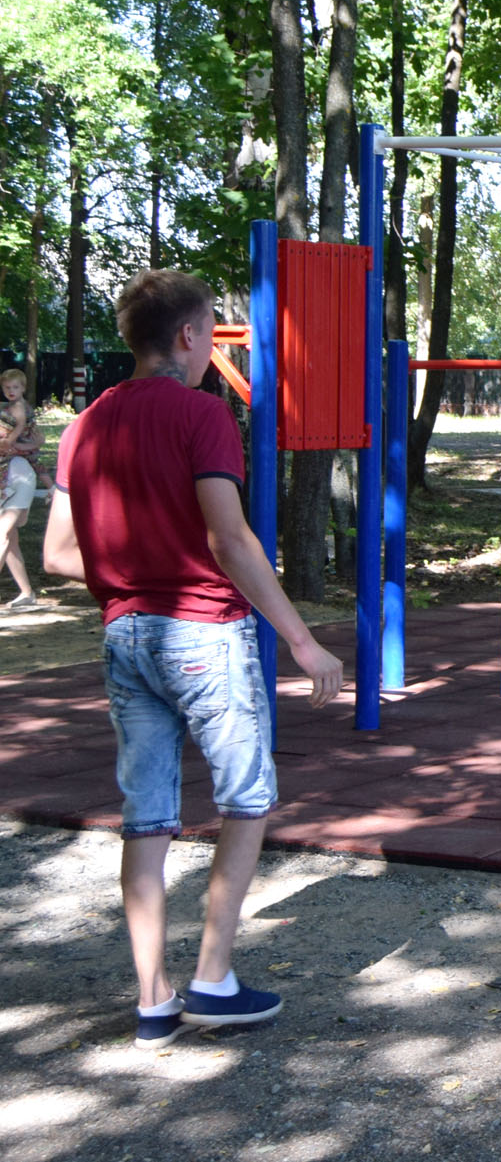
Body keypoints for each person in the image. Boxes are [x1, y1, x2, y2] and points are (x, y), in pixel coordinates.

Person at [41, 270, 344, 1050]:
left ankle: (153, 999)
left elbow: (57, 555)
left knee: (147, 816)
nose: (213, 346)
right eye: (212, 331)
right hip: (203, 631)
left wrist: (131, 568)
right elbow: (228, 538)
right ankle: (213, 977)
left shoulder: (84, 426)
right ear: (187, 336)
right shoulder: (203, 415)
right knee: (247, 799)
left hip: (124, 635)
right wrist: (301, 639)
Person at [0, 368, 41, 610]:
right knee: (11, 538)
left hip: (20, 475)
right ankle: (27, 592)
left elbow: (26, 442)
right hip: (6, 476)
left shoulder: (20, 412)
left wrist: (25, 444)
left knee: (3, 531)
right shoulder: (5, 411)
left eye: (14, 387)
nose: (11, 392)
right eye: (7, 388)